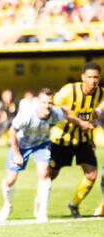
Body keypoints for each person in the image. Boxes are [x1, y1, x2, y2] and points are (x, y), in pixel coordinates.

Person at [0, 88, 92, 223]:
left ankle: (42, 212)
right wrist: (17, 154)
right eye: (43, 102)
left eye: (50, 103)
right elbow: (12, 132)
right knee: (10, 180)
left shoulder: (56, 113)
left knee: (44, 174)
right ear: (37, 102)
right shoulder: (27, 115)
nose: (47, 106)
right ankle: (7, 205)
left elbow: (69, 118)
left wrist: (82, 123)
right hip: (21, 146)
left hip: (42, 145)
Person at [49, 62, 104, 218]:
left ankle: (74, 205)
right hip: (61, 140)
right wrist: (78, 121)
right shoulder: (69, 90)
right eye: (90, 77)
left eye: (96, 77)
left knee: (91, 174)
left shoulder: (100, 93)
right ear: (82, 77)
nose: (93, 81)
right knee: (51, 174)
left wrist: (98, 112)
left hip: (82, 140)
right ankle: (40, 200)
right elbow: (52, 106)